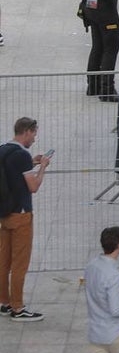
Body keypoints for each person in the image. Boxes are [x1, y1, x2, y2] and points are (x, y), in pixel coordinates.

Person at [0, 117, 50, 322]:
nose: (34, 138)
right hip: (21, 215)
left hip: (5, 214)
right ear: (27, 131)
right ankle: (18, 308)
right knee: (20, 264)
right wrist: (43, 167)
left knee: (3, 262)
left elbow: (11, 170)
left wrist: (32, 162)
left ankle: (3, 302)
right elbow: (33, 187)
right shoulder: (21, 154)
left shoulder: (3, 150)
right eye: (34, 134)